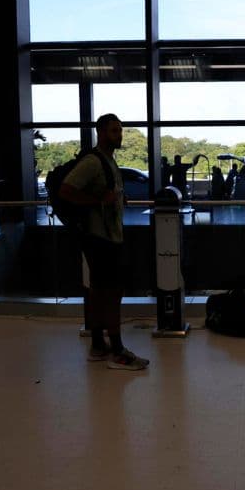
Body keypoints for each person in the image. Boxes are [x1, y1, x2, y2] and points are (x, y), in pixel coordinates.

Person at [59, 113, 150, 371]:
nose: (119, 135)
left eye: (120, 130)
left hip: (106, 237)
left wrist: (119, 198)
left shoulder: (109, 160)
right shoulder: (93, 161)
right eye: (113, 131)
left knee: (100, 292)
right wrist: (100, 202)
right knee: (111, 293)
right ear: (101, 132)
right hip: (101, 239)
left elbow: (106, 192)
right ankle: (118, 351)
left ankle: (99, 345)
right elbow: (66, 191)